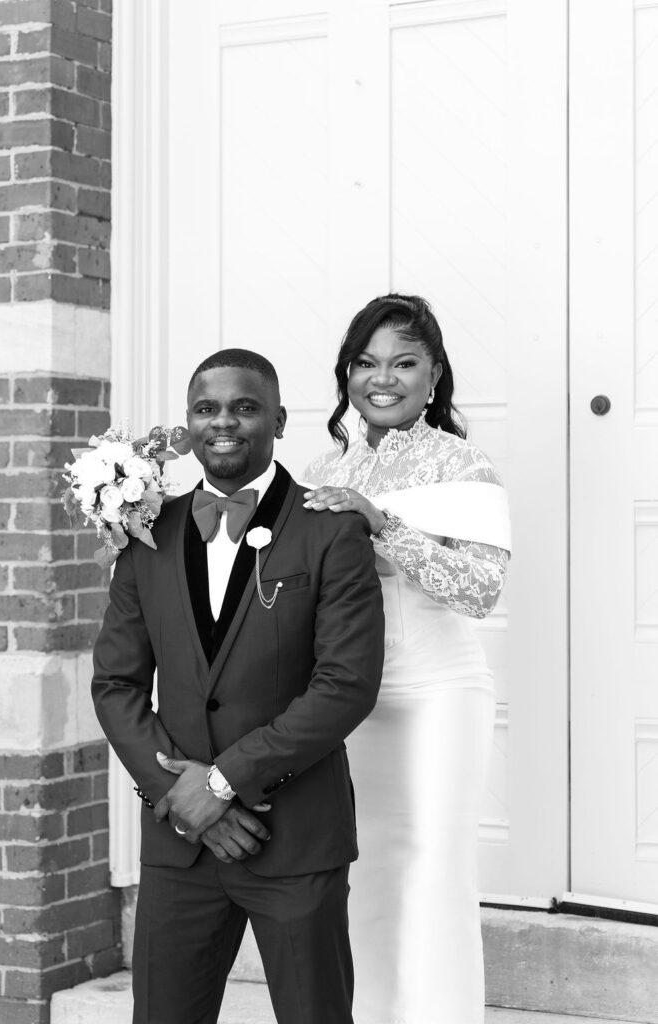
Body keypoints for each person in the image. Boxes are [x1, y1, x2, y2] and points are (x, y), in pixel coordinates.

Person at [92, 349, 385, 1024]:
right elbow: (115, 683)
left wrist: (220, 784)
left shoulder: (329, 530)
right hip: (180, 845)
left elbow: (345, 685)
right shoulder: (146, 531)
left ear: (279, 419)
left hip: (294, 840)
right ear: (189, 425)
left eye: (244, 407)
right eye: (206, 409)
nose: (223, 423)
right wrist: (179, 795)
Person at [304, 294, 511, 1024]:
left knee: (435, 871)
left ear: (433, 374)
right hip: (351, 697)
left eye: (402, 362)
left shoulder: (462, 461)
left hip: (437, 692)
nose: (380, 378)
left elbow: (479, 589)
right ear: (346, 372)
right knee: (365, 869)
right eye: (364, 362)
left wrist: (379, 523)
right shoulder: (326, 463)